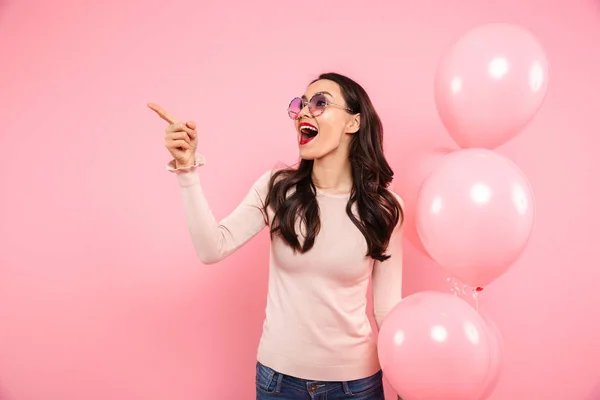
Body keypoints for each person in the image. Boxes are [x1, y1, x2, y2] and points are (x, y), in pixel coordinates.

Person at [148, 72, 404, 400]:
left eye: (320, 103)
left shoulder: (385, 208)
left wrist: (405, 381)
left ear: (353, 123)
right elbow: (213, 247)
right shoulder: (277, 188)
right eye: (300, 105)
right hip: (279, 382)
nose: (303, 113)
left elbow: (387, 309)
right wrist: (186, 169)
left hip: (357, 385)